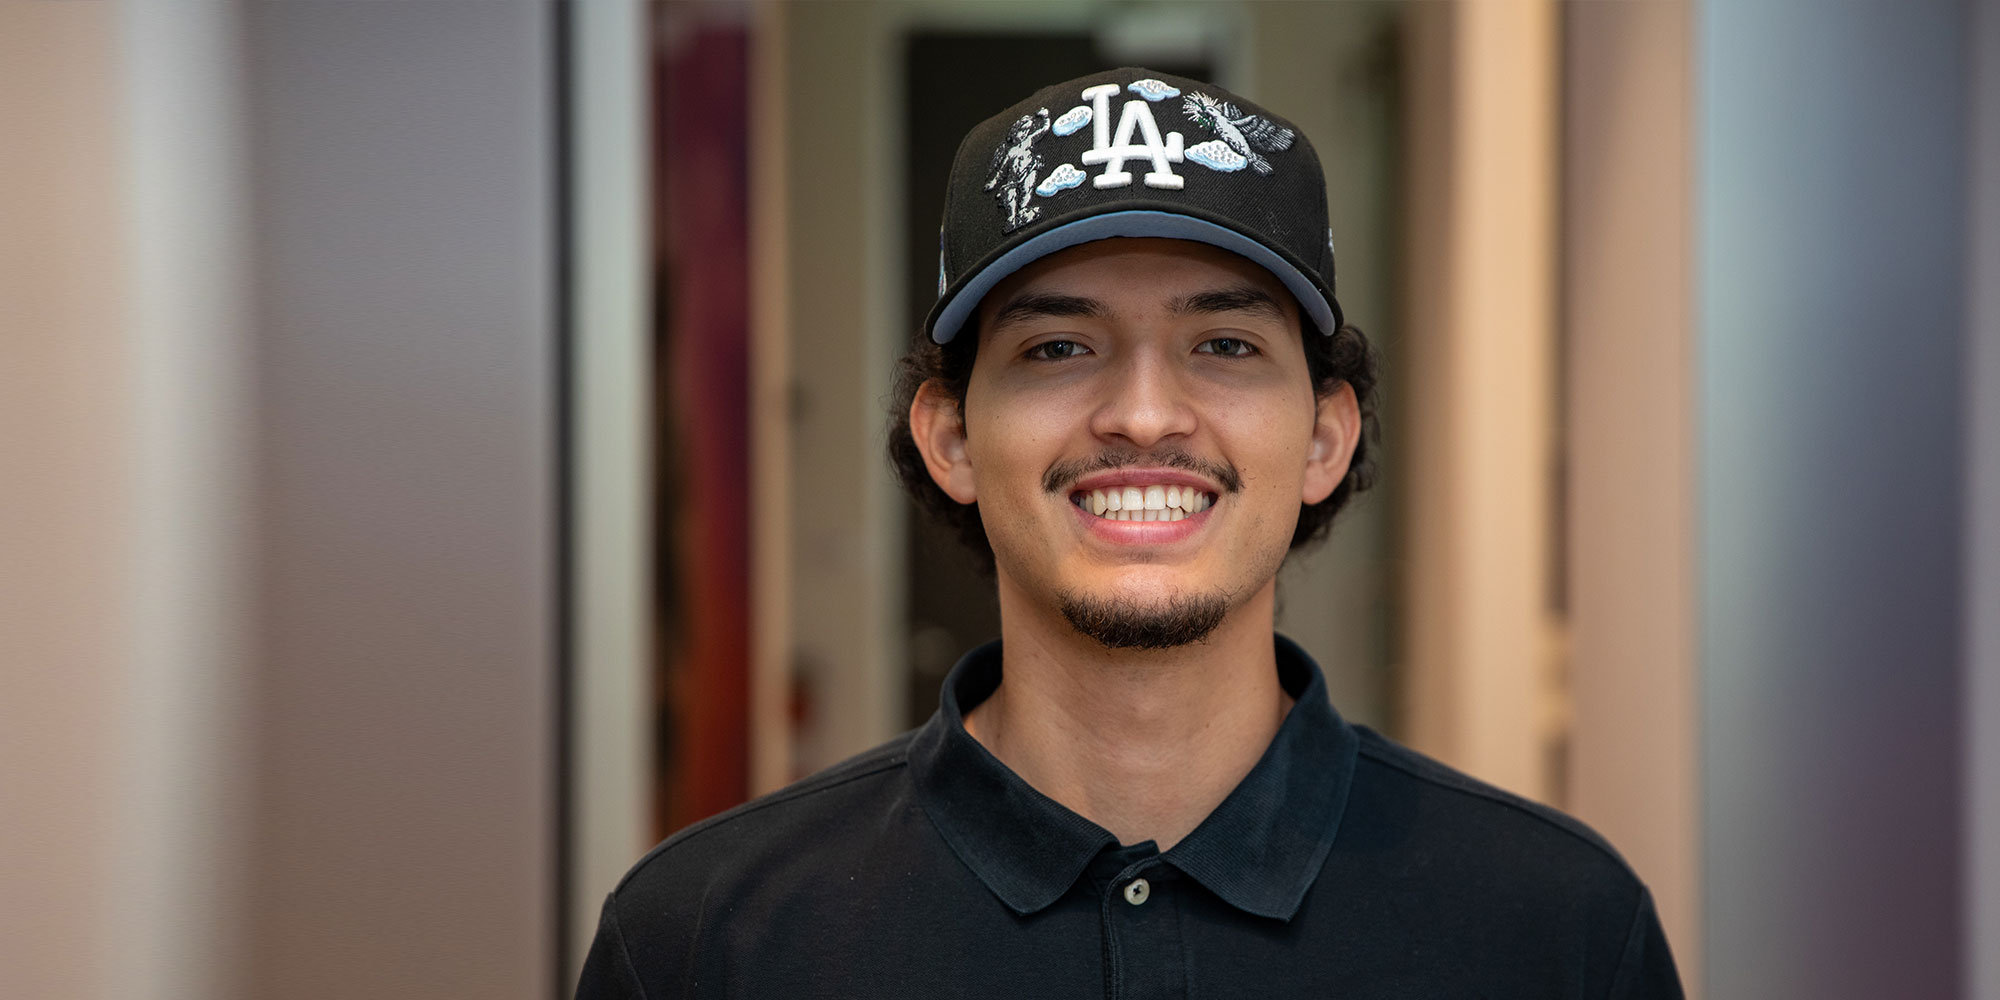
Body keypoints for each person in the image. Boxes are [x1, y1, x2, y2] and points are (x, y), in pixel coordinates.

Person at [577, 67, 1682, 998]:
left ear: (1324, 437)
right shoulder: (702, 941)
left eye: (1225, 345)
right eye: (1057, 348)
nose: (1144, 414)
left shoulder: (1559, 933)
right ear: (949, 438)